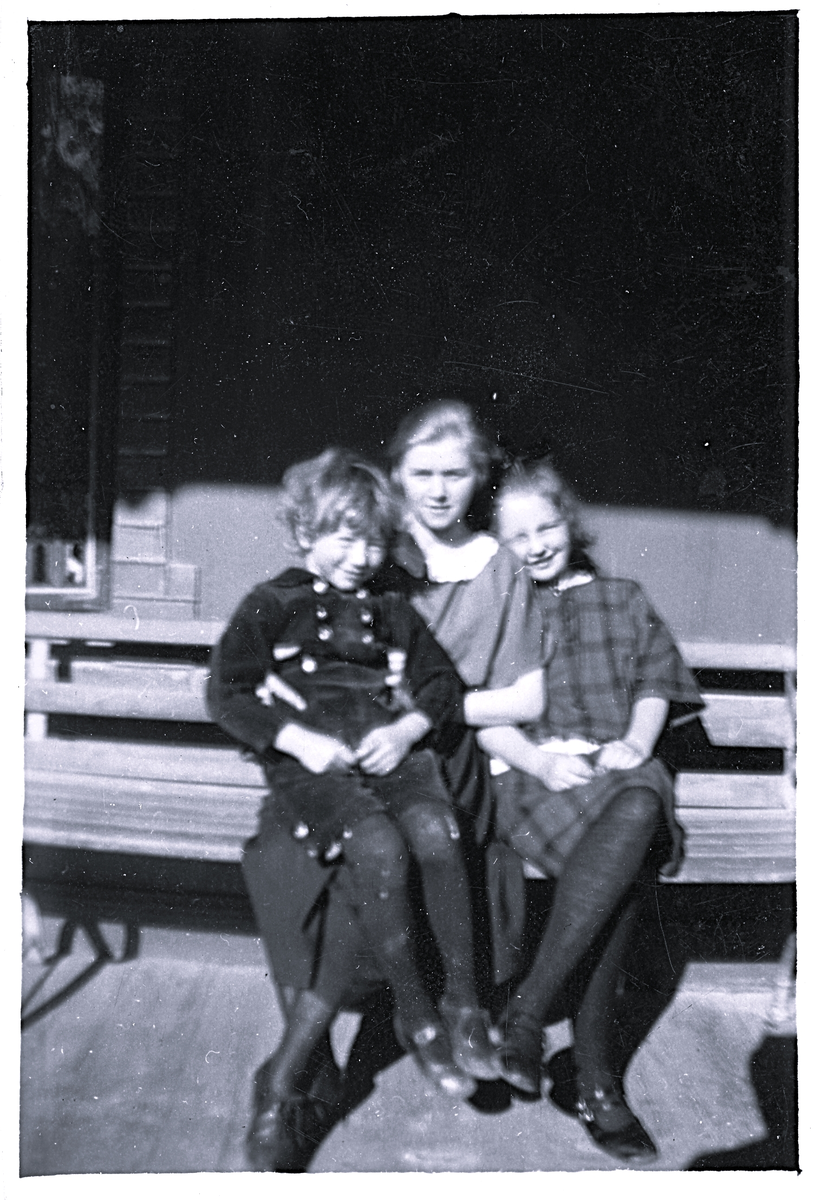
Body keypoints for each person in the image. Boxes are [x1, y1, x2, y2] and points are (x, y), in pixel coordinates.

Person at [215, 402, 544, 1171]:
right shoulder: (281, 599)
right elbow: (229, 690)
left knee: (429, 834)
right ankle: (357, 1044)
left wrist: (404, 728)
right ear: (304, 532)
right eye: (341, 536)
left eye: (369, 539)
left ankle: (451, 1009)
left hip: (401, 759)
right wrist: (295, 737)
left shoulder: (396, 602)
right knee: (367, 855)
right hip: (317, 772)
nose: (359, 555)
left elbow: (440, 685)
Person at [480, 457, 704, 1161]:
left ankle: (525, 1016)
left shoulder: (622, 598)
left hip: (617, 771)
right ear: (500, 546)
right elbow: (482, 719)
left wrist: (636, 742)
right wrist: (540, 761)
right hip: (538, 777)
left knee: (637, 806)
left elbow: (655, 680)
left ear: (569, 525)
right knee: (623, 867)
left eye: (546, 527)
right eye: (518, 536)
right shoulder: (499, 613)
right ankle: (596, 1081)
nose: (536, 544)